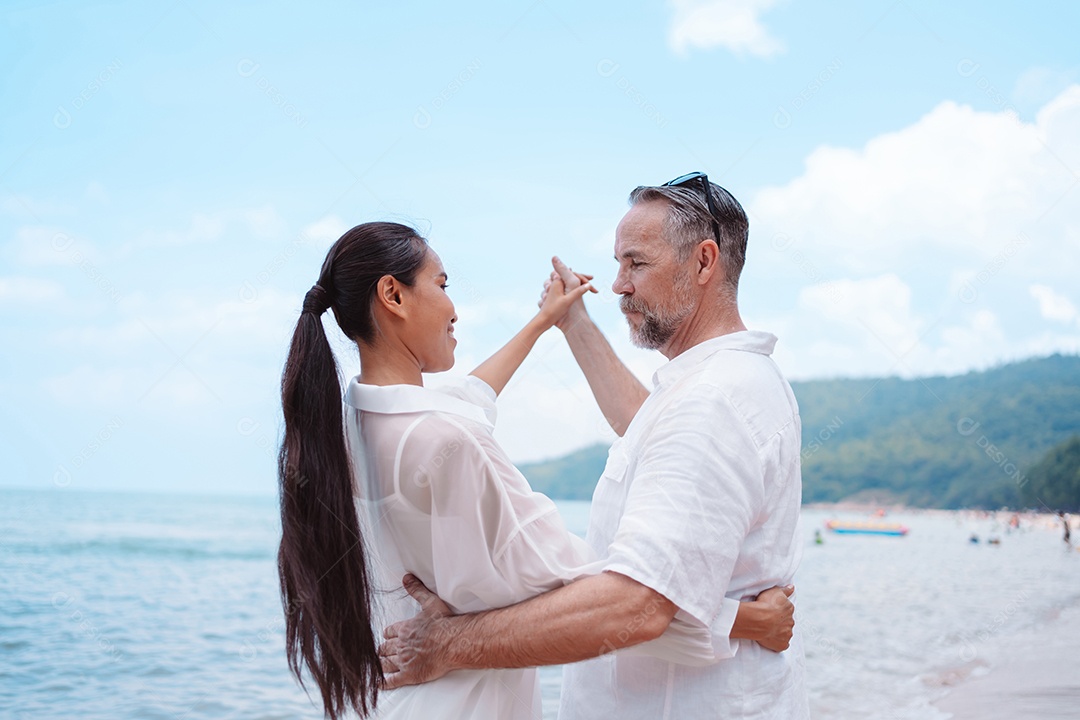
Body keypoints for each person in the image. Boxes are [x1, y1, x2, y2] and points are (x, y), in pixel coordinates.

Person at [276, 221, 796, 719]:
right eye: (442, 284)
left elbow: (469, 399)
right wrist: (746, 621)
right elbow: (597, 600)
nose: (453, 308)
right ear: (392, 296)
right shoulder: (450, 441)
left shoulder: (349, 426)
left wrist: (551, 320)